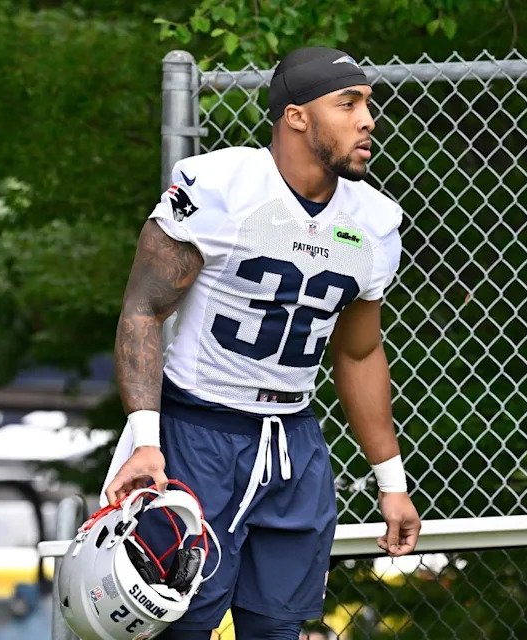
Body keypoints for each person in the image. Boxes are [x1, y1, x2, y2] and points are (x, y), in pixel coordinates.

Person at [101, 46, 421, 640]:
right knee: (179, 628)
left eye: (368, 105)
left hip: (294, 442)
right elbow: (143, 312)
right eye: (347, 104)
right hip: (199, 430)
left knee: (281, 630)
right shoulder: (219, 185)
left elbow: (358, 352)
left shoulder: (376, 221)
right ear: (296, 116)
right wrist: (147, 442)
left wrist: (392, 482)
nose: (367, 119)